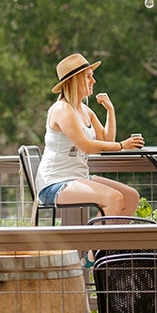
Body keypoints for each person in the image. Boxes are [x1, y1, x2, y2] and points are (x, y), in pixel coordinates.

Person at [34, 53, 143, 217]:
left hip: (78, 178)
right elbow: (86, 146)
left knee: (131, 197)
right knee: (113, 198)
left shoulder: (85, 111)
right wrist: (122, 145)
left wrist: (110, 110)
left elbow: (107, 141)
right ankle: (96, 242)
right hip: (54, 184)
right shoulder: (62, 110)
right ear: (75, 80)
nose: (94, 81)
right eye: (88, 77)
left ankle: (101, 240)